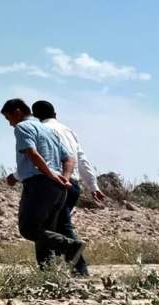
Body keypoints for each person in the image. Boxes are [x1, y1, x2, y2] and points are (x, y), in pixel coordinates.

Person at [1, 98, 84, 269]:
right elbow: (69, 157)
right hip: (58, 188)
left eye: (9, 118)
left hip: (39, 185)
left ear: (17, 112)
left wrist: (50, 174)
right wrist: (65, 178)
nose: (10, 124)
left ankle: (71, 246)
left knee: (29, 229)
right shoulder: (48, 131)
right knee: (45, 231)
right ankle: (48, 272)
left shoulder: (23, 127)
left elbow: (31, 152)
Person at [30, 101, 105, 276]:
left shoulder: (42, 131)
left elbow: (38, 159)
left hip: (54, 182)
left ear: (35, 116)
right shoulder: (69, 131)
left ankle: (65, 270)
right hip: (73, 185)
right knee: (58, 226)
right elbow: (82, 159)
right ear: (55, 114)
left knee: (46, 226)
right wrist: (93, 186)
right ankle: (64, 270)